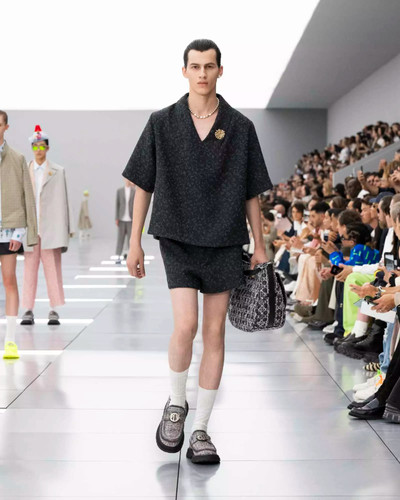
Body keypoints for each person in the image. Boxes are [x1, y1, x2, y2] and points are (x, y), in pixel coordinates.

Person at [122, 39, 272, 464]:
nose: (202, 73)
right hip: (177, 237)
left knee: (214, 333)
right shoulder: (161, 122)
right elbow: (143, 184)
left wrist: (260, 244)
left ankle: (202, 429)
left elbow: (252, 192)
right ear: (184, 71)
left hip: (224, 239)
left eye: (209, 66)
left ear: (221, 70)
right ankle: (176, 404)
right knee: (186, 325)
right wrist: (134, 241)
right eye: (195, 66)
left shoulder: (240, 127)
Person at [20, 125, 74, 326]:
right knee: (29, 270)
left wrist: (67, 229)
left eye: (42, 146)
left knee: (53, 269)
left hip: (51, 227)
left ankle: (54, 309)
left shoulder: (58, 171)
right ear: (31, 148)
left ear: (48, 148)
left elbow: (65, 201)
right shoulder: (24, 171)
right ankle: (27, 309)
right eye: (35, 146)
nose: (38, 150)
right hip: (30, 228)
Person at [0, 111, 38, 359]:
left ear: (6, 127)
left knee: (9, 280)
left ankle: (11, 340)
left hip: (9, 230)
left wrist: (22, 232)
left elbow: (27, 197)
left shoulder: (17, 159)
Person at [115, 179, 135, 264]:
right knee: (120, 238)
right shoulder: (119, 191)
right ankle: (118, 256)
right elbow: (117, 205)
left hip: (131, 219)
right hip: (121, 219)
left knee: (131, 239)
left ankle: (130, 256)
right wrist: (116, 218)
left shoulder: (134, 191)